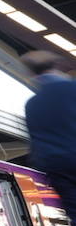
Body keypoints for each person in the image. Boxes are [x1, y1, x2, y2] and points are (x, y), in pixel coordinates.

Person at [21, 50, 76, 216]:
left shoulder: (32, 104)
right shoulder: (72, 89)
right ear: (58, 65)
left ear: (32, 72)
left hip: (57, 167)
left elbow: (35, 141)